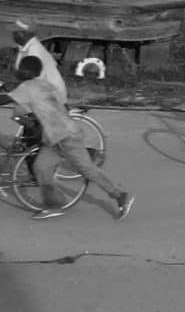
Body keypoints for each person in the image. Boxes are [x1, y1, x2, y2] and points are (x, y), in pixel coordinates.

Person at [7, 54, 129, 218]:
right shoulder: (45, 84)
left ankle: (119, 195)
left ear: (24, 70)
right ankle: (54, 205)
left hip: (66, 136)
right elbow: (55, 104)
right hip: (54, 138)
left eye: (21, 67)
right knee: (41, 167)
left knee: (87, 169)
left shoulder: (27, 86)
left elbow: (8, 100)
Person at [9, 23, 65, 109]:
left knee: (18, 108)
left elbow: (28, 76)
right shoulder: (25, 48)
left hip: (50, 95)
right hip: (41, 90)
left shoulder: (34, 52)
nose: (13, 35)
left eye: (15, 32)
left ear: (24, 34)